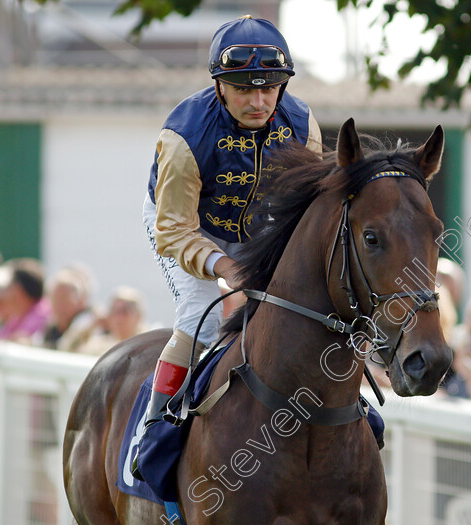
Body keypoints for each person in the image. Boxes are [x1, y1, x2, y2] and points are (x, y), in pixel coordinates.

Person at [139, 16, 322, 435]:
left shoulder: (301, 125)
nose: (258, 102)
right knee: (199, 319)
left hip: (259, 226)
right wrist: (225, 267)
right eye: (244, 89)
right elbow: (175, 231)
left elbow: (306, 209)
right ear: (220, 85)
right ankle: (152, 430)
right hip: (182, 226)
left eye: (269, 88)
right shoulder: (183, 137)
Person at [0, 258, 49, 344]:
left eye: (9, 287)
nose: (5, 293)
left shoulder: (42, 315)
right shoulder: (18, 316)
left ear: (18, 291)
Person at [41, 267, 97, 352]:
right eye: (56, 300)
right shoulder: (51, 328)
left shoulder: (88, 324)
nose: (60, 306)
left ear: (80, 301)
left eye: (64, 300)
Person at [81, 286, 149, 356]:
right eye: (114, 311)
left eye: (125, 312)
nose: (119, 318)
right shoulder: (99, 346)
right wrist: (91, 327)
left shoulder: (149, 345)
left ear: (138, 316)